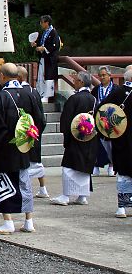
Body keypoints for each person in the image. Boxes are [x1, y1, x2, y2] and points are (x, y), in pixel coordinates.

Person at [0, 63, 44, 234]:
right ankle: (29, 220)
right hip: (24, 145)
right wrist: (30, 138)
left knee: (4, 181)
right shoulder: (30, 94)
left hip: (4, 147)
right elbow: (39, 120)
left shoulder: (1, 96)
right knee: (24, 182)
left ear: (2, 76)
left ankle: (8, 220)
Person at [51, 71, 100, 207]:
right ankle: (83, 196)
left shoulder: (74, 99)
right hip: (89, 136)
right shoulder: (94, 99)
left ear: (82, 82)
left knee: (69, 167)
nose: (74, 82)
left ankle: (66, 196)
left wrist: (66, 136)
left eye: (76, 80)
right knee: (84, 166)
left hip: (75, 136)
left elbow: (66, 119)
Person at [18, 66, 50, 198]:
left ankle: (25, 189)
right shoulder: (35, 91)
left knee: (26, 163)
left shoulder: (19, 92)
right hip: (35, 129)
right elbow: (41, 116)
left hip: (23, 131)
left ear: (19, 77)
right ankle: (43, 188)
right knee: (37, 162)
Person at [91, 66, 120, 176]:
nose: (102, 77)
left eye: (104, 75)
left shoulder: (116, 89)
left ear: (109, 76)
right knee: (97, 143)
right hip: (98, 119)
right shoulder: (96, 89)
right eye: (100, 75)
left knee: (111, 144)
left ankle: (112, 165)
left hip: (111, 120)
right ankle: (97, 165)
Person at [112, 70, 132, 217]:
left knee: (123, 174)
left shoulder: (116, 92)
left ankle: (122, 207)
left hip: (120, 138)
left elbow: (103, 110)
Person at [31, 15, 59, 103]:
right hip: (43, 58)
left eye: (42, 22)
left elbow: (55, 45)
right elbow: (41, 42)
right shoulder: (45, 32)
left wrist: (43, 48)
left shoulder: (53, 32)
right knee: (41, 76)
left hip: (50, 59)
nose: (41, 24)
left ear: (47, 23)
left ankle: (47, 96)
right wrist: (36, 44)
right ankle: (40, 93)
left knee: (48, 77)